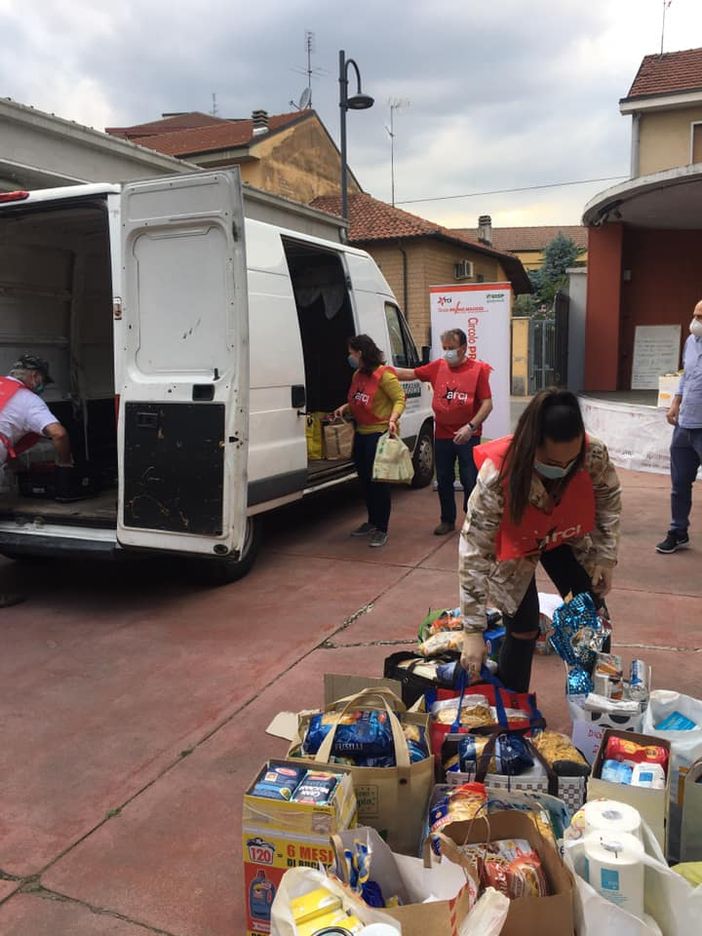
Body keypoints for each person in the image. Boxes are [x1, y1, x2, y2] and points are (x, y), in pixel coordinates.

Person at [458, 388, 621, 692]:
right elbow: (474, 550)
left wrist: (605, 557)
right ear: (531, 445)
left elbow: (608, 498)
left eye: (568, 463)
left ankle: (594, 702)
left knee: (591, 614)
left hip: (564, 537)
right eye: (551, 462)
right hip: (514, 546)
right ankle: (513, 709)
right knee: (523, 627)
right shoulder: (498, 473)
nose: (561, 470)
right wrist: (472, 630)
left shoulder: (592, 453)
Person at [395, 329, 492, 535]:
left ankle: (472, 520)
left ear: (464, 348)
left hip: (468, 436)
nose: (447, 352)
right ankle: (447, 520)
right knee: (444, 479)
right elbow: (411, 373)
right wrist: (382, 371)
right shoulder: (438, 366)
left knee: (469, 479)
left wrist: (470, 427)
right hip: (442, 435)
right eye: (445, 348)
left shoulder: (478, 370)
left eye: (451, 348)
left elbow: (487, 404)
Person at [0, 354, 73, 606]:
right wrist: (64, 463)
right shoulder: (28, 400)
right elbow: (59, 434)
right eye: (43, 381)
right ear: (35, 377)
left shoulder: (1, 386)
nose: (42, 386)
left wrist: (13, 462)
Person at [333, 335, 406, 548]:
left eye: (352, 353)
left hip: (378, 434)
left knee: (379, 482)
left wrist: (393, 419)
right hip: (362, 433)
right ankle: (372, 521)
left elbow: (399, 399)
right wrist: (344, 408)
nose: (350, 357)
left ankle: (382, 528)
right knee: (364, 479)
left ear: (361, 353)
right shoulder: (358, 374)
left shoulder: (384, 376)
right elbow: (356, 398)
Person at [656, 299, 702, 554]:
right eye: (695, 315)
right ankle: (678, 530)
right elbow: (687, 375)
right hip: (685, 425)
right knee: (680, 484)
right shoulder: (691, 342)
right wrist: (676, 402)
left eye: (701, 317)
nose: (696, 322)